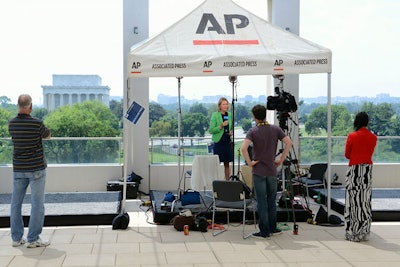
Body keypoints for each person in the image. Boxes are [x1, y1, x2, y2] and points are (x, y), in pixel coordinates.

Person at [241, 104, 292, 239]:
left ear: (254, 117)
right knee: (271, 200)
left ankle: (264, 231)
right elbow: (289, 142)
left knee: (261, 201)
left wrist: (250, 162)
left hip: (258, 171)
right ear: (265, 115)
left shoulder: (253, 131)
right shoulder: (275, 129)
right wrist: (281, 159)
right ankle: (273, 227)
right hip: (272, 170)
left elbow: (244, 148)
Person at [8, 94, 51, 248]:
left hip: (19, 168)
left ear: (18, 106)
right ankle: (33, 239)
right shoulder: (37, 123)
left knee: (15, 203)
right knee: (37, 204)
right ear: (31, 106)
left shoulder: (11, 124)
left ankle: (16, 238)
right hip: (36, 169)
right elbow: (48, 135)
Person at [344, 111, 377, 242]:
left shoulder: (352, 136)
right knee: (365, 201)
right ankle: (365, 231)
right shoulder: (373, 137)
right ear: (367, 122)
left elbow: (347, 155)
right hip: (367, 171)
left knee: (353, 201)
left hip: (354, 170)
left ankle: (352, 231)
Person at [209, 97, 233, 180]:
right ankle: (216, 182)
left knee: (227, 164)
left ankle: (227, 182)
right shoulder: (215, 115)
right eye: (223, 104)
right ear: (219, 105)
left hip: (227, 141)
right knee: (216, 163)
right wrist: (221, 126)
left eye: (226, 104)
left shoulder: (229, 115)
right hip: (219, 142)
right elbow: (211, 130)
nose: (225, 106)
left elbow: (231, 127)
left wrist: (231, 132)